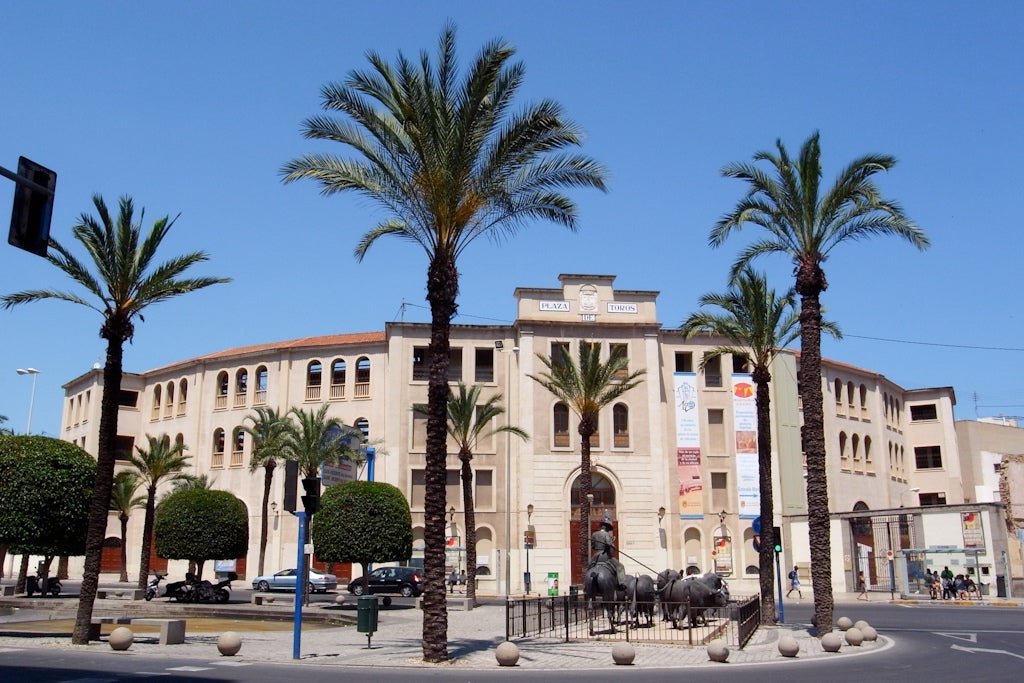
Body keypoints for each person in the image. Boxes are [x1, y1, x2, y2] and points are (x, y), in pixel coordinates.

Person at [588, 521, 626, 589]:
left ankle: (585, 584)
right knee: (620, 566)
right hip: (605, 556)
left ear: (602, 527)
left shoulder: (594, 534)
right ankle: (621, 584)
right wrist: (613, 545)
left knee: (589, 566)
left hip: (596, 556)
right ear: (607, 529)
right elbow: (609, 544)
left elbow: (592, 546)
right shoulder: (606, 534)